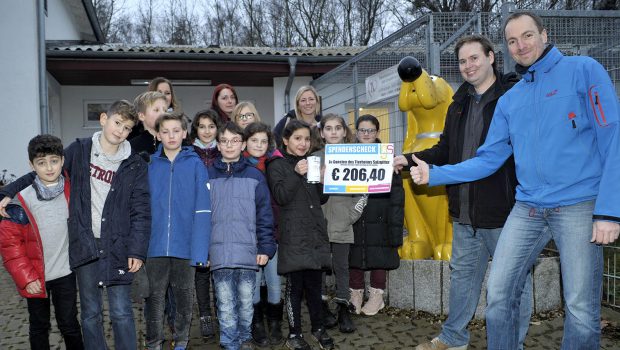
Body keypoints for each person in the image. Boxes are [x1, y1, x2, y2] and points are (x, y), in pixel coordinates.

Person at [404, 12, 620, 349]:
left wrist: (608, 210)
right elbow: (488, 159)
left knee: (579, 306)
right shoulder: (512, 100)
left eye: (528, 36)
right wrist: (436, 174)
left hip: (578, 204)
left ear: (544, 35)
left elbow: (612, 138)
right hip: (529, 206)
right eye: (513, 40)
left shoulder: (583, 70)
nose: (521, 45)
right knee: (500, 292)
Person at [394, 34, 532, 350]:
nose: (468, 66)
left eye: (474, 58)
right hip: (464, 211)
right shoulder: (458, 104)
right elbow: (445, 149)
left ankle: (514, 343)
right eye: (462, 61)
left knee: (514, 285)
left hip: (503, 212)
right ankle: (454, 337)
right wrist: (408, 160)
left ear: (491, 57)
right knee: (462, 279)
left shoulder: (510, 97)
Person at [0, 100, 151, 350]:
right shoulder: (79, 151)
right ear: (103, 119)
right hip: (85, 243)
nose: (120, 131)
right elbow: (44, 170)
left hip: (119, 245)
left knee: (122, 311)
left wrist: (136, 249)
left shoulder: (134, 163)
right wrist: (8, 191)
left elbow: (142, 209)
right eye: (116, 123)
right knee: (90, 313)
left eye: (126, 128)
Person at [0, 135, 84, 350]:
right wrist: (27, 278)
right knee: (39, 326)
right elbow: (11, 247)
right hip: (36, 277)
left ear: (62, 160)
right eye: (41, 162)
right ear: (31, 165)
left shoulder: (72, 191)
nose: (49, 168)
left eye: (54, 161)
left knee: (70, 324)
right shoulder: (20, 200)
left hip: (65, 273)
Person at [207, 122, 276, 350]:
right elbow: (201, 217)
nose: (229, 145)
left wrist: (265, 248)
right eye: (224, 141)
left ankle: (245, 338)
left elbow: (265, 216)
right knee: (225, 304)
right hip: (218, 254)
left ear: (243, 144)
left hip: (248, 253)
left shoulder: (255, 176)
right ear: (218, 145)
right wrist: (202, 251)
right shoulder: (207, 176)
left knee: (247, 303)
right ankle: (229, 343)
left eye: (234, 141)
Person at [145, 112, 211, 350]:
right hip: (155, 246)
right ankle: (153, 341)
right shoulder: (150, 165)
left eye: (176, 131)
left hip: (186, 247)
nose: (171, 136)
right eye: (165, 131)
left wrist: (201, 250)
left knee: (184, 297)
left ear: (185, 133)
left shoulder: (196, 165)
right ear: (158, 134)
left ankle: (181, 340)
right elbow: (142, 209)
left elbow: (204, 210)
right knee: (154, 299)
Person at [266, 120, 334, 350]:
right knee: (295, 289)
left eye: (306, 139)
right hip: (293, 236)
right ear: (285, 140)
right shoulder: (276, 164)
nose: (303, 143)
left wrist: (325, 182)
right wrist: (296, 173)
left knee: (316, 288)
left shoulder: (312, 163)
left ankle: (318, 328)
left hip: (314, 233)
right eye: (297, 138)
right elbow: (281, 196)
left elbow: (319, 199)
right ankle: (294, 334)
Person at [312, 114, 367, 334]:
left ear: (345, 131)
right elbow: (309, 195)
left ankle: (344, 309)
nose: (333, 132)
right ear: (322, 133)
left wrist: (349, 217)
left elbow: (364, 192)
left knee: (343, 269)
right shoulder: (315, 158)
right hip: (321, 225)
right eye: (328, 128)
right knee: (322, 269)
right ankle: (324, 308)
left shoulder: (355, 157)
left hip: (344, 224)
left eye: (337, 128)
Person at [349, 115, 404, 317]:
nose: (366, 134)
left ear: (377, 133)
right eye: (362, 130)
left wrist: (395, 222)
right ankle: (355, 293)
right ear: (356, 132)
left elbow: (397, 194)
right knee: (353, 253)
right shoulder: (346, 157)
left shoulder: (389, 158)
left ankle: (376, 295)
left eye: (370, 130)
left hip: (380, 215)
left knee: (379, 253)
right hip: (355, 213)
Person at [242, 122, 285, 346]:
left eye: (263, 141)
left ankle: (276, 323)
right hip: (249, 236)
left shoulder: (275, 164)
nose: (259, 145)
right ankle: (257, 325)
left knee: (274, 281)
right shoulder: (240, 166)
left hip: (273, 232)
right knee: (254, 283)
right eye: (254, 140)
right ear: (245, 142)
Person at [189, 108, 220, 339]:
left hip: (221, 219)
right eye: (202, 126)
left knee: (219, 268)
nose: (207, 131)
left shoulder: (225, 151)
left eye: (211, 126)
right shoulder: (189, 153)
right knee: (201, 269)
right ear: (195, 129)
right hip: (197, 220)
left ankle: (222, 311)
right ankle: (205, 315)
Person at [130, 91, 169, 155]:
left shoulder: (173, 142)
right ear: (142, 116)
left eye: (165, 110)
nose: (163, 114)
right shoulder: (131, 147)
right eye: (156, 110)